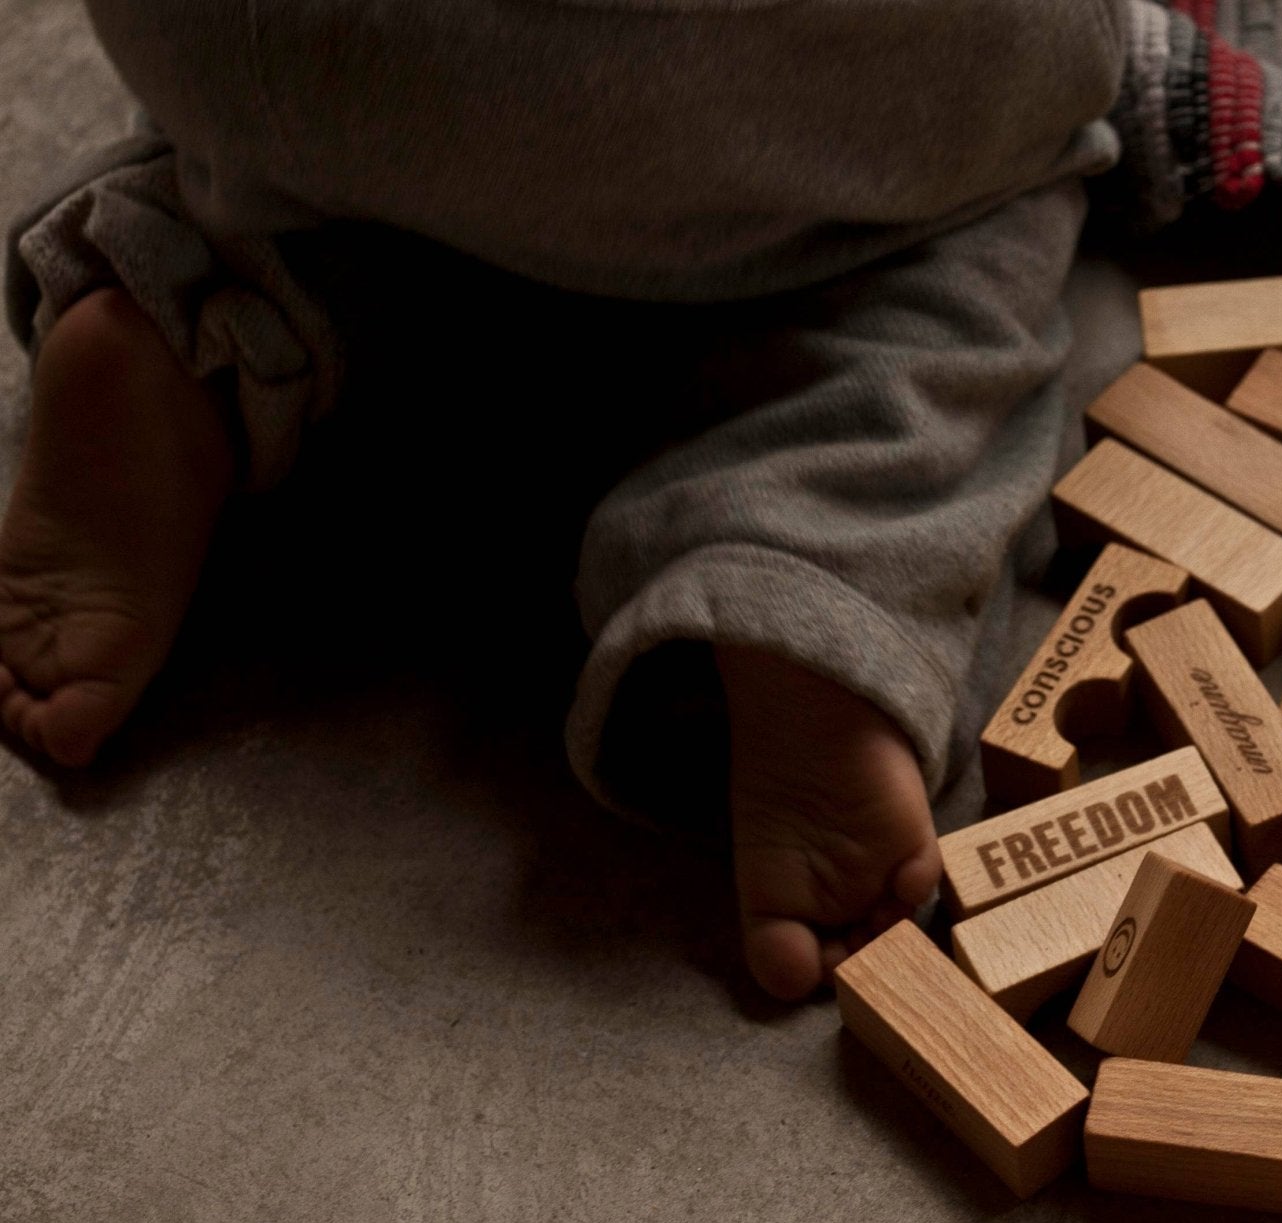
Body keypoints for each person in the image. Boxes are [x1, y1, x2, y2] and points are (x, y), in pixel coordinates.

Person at [1, 0, 1127, 1000]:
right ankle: (816, 565)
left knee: (360, 157)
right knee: (989, 196)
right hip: (739, 71)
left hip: (266, 45)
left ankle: (199, 305)